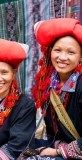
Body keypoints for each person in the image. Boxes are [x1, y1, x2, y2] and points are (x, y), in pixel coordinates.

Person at [20, 18, 82, 160]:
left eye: (71, 53)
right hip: (60, 144)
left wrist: (57, 152)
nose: (62, 57)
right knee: (20, 147)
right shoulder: (48, 84)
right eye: (57, 50)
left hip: (75, 150)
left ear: (80, 58)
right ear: (50, 53)